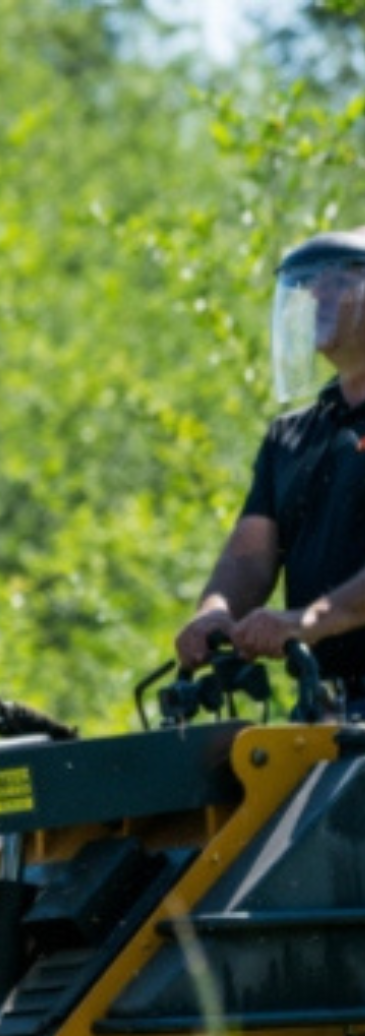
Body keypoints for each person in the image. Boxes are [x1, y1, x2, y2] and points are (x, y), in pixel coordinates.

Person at [175, 227, 365, 691]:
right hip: (327, 706)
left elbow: (317, 617)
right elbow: (251, 558)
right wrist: (215, 612)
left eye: (339, 283)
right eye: (310, 286)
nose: (319, 296)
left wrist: (312, 619)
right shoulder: (292, 436)